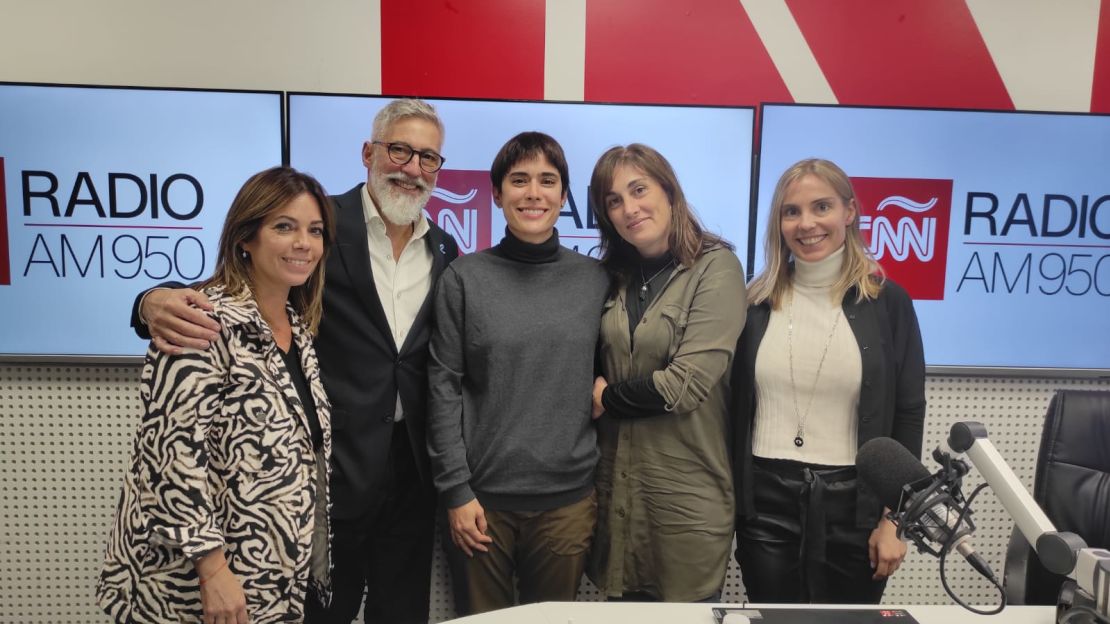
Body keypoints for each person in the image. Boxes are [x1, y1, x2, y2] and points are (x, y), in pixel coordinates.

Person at [130, 99, 460, 624]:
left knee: (401, 611)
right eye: (400, 150)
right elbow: (235, 286)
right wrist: (149, 302)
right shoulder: (318, 221)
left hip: (410, 473)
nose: (413, 168)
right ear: (369, 152)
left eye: (428, 157)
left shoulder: (444, 249)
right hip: (327, 472)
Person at [97, 166, 336, 622]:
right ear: (245, 237)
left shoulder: (297, 327)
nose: (304, 243)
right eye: (284, 227)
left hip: (271, 574)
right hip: (197, 584)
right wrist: (212, 570)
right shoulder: (201, 321)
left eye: (315, 230)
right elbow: (170, 457)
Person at [427, 131, 609, 615]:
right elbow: (442, 387)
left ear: (564, 196)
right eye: (519, 180)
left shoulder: (595, 280)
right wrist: (456, 491)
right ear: (497, 193)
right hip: (480, 505)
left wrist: (605, 386)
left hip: (566, 506)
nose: (534, 193)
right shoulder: (464, 278)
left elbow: (612, 367)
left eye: (547, 181)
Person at [732, 158, 926, 603]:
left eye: (822, 207)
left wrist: (895, 521)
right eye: (791, 211)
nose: (807, 224)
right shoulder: (753, 303)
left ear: (850, 212)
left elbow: (908, 415)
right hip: (765, 503)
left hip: (855, 507)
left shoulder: (888, 302)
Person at [586, 144, 746, 602]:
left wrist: (605, 399)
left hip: (685, 503)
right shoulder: (608, 277)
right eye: (613, 200)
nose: (629, 208)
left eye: (639, 190)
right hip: (616, 498)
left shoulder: (716, 268)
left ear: (670, 192)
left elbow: (686, 385)